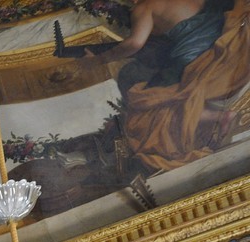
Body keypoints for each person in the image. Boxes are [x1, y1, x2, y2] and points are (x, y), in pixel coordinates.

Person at [56, 0, 250, 171]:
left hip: (189, 60)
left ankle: (218, 117)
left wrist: (99, 60)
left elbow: (134, 43)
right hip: (222, 47)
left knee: (147, 103)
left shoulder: (145, 6)